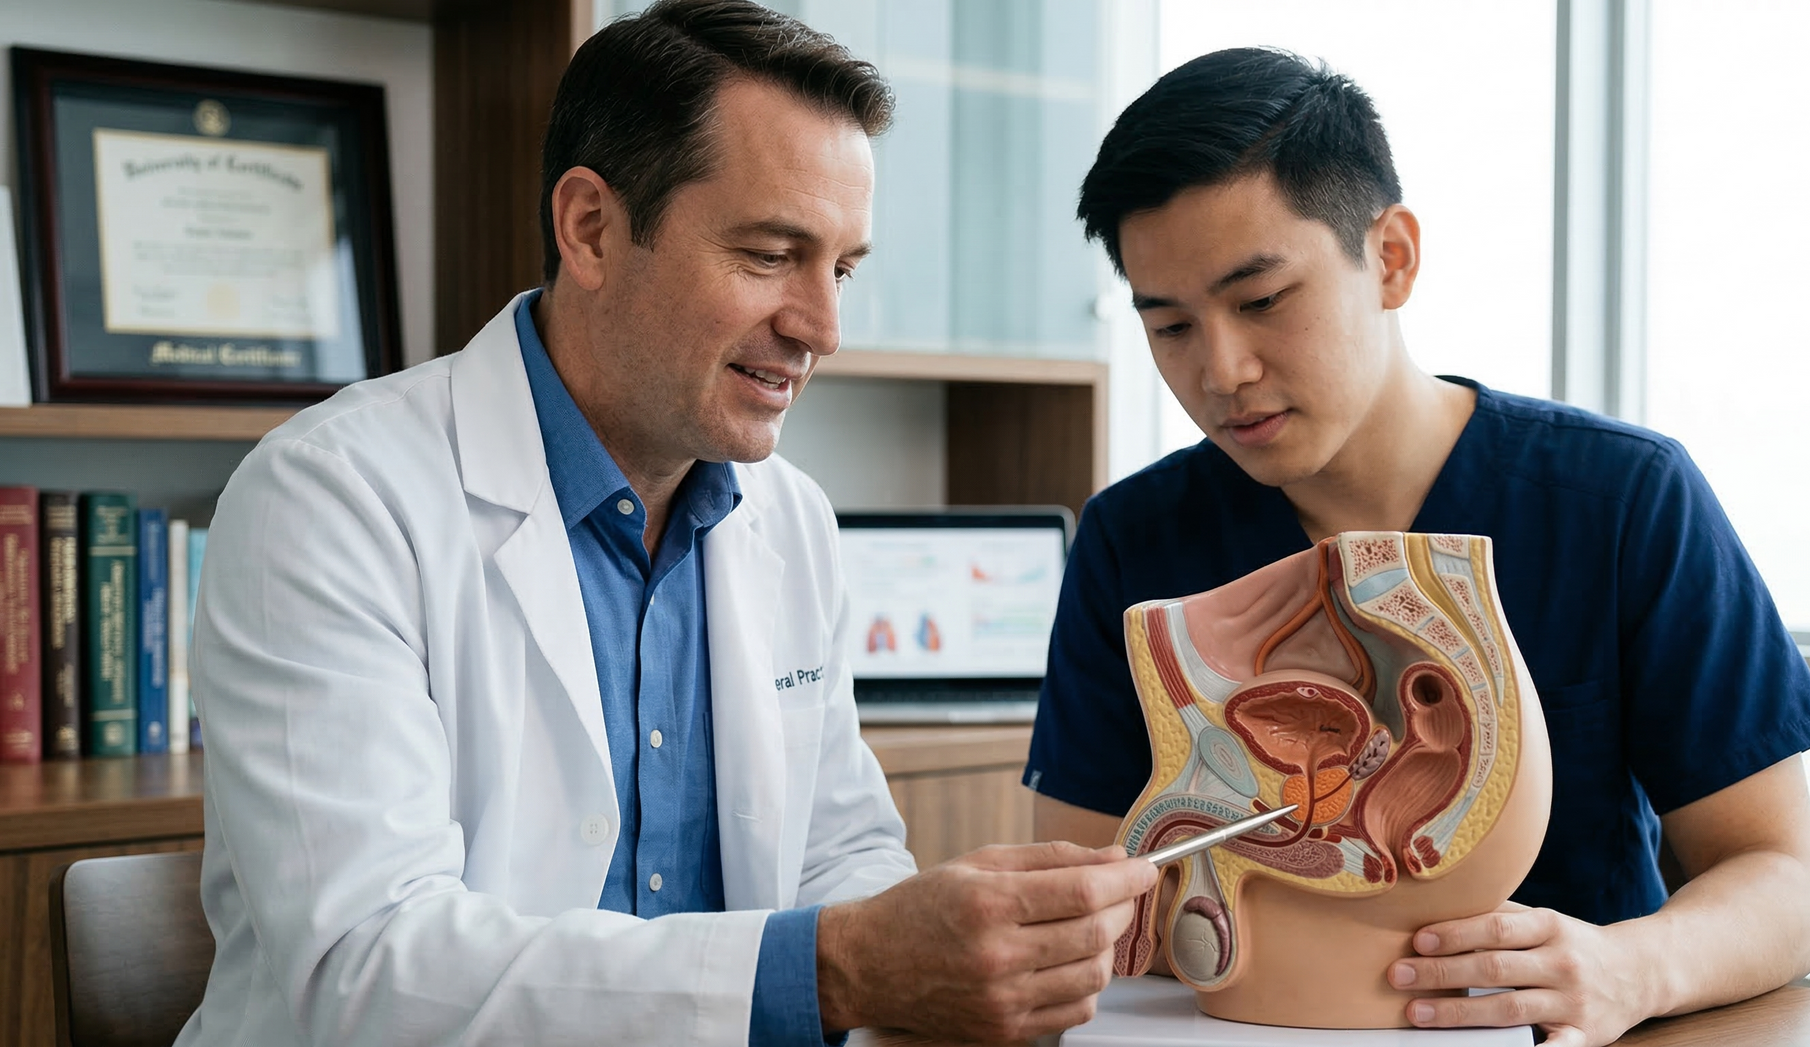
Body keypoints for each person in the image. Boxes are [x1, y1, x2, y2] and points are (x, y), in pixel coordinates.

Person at [179, 3, 1154, 1045]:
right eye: (770, 253)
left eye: (842, 268)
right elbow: (370, 970)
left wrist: (923, 949)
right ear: (591, 229)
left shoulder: (791, 518)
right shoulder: (330, 498)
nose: (823, 327)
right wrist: (839, 969)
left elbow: (838, 855)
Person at [1026, 46, 1810, 1047]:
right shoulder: (1130, 539)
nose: (1221, 370)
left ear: (1391, 258)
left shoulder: (1622, 499)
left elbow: (1784, 873)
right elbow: (1085, 905)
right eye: (1170, 325)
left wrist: (1633, 967)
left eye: (1261, 301)